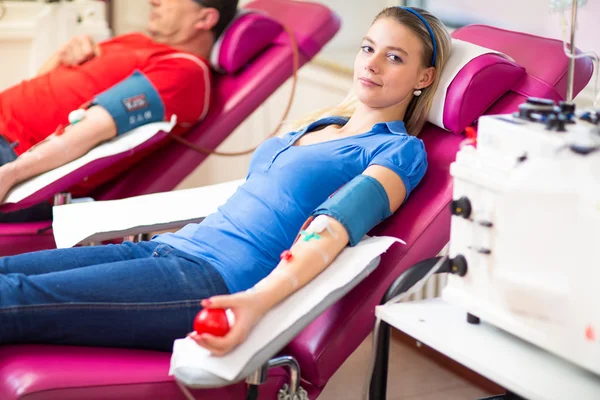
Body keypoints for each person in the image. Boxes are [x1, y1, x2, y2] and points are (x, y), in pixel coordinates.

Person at [0, 6, 451, 356]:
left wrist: (257, 302)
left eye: (395, 58)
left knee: (15, 297)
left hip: (213, 279)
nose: (373, 64)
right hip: (174, 247)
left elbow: (332, 227)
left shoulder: (398, 151)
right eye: (368, 48)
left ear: (424, 77)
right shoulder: (319, 125)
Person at [0, 0, 238, 222]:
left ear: (205, 19)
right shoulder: (136, 42)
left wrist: (12, 172)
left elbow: (91, 129)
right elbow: (38, 87)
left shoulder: (185, 71)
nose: (154, 1)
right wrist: (61, 56)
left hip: (14, 155)